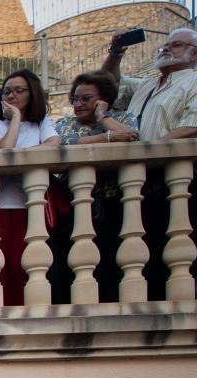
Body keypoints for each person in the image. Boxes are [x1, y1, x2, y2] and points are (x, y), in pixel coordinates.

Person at [105, 27, 197, 300]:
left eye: (177, 45)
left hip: (172, 178)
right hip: (135, 180)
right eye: (165, 45)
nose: (167, 48)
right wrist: (115, 52)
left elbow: (191, 128)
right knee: (138, 251)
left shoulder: (193, 82)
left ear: (195, 53)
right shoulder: (147, 84)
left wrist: (148, 151)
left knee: (171, 247)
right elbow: (109, 86)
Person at [53, 71, 137, 303]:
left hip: (116, 200)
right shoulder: (65, 123)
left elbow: (132, 138)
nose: (78, 104)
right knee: (76, 259)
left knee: (114, 257)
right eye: (75, 99)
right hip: (74, 204)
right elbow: (65, 143)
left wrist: (103, 116)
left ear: (103, 98)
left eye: (86, 99)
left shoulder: (124, 117)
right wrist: (108, 138)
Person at [0, 70, 61, 307]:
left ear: (32, 93)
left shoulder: (42, 122)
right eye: (7, 91)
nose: (11, 95)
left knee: (27, 264)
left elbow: (53, 144)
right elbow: (4, 150)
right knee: (1, 266)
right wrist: (16, 119)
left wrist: (22, 158)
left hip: (31, 205)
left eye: (19, 90)